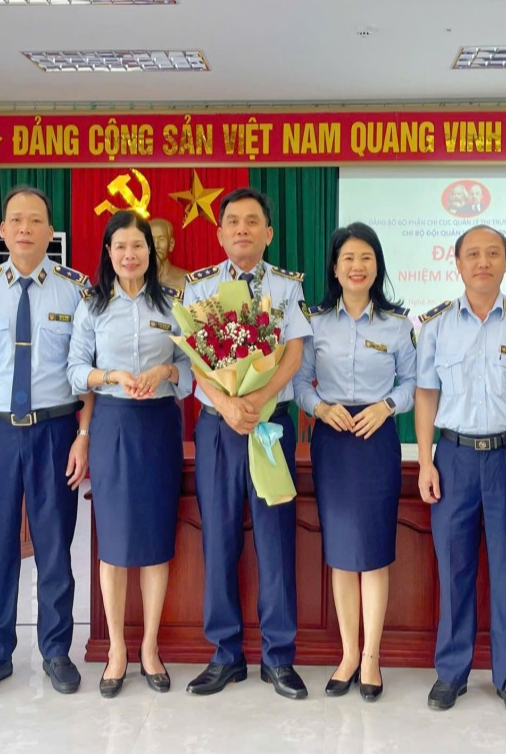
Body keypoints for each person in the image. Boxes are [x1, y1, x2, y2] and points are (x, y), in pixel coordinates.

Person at [0, 185, 93, 698]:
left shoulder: (76, 291)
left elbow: (87, 370)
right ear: (3, 230)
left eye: (36, 220)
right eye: (16, 220)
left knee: (54, 548)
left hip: (55, 431)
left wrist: (83, 435)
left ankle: (56, 651)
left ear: (51, 231)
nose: (26, 228)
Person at [414, 225, 506, 718]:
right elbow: (426, 394)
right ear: (457, 263)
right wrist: (425, 459)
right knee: (454, 569)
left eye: (493, 253)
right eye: (472, 254)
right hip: (453, 458)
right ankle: (451, 672)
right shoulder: (436, 324)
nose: (483, 262)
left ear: (505, 262)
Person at [182, 187, 312, 700]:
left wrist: (256, 400)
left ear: (268, 232)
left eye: (252, 221)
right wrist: (228, 403)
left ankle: (279, 657)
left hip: (269, 426)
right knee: (218, 540)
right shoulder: (199, 288)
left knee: (275, 543)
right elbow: (195, 360)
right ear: (220, 233)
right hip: (218, 427)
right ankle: (225, 654)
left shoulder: (286, 287)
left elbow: (294, 354)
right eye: (233, 221)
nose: (242, 229)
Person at [66, 210, 192, 698]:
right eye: (120, 246)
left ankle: (150, 648)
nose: (130, 254)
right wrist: (110, 376)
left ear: (151, 251)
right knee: (114, 545)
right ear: (108, 253)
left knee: (157, 541)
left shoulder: (173, 304)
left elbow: (191, 368)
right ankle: (117, 650)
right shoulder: (93, 306)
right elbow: (75, 370)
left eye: (137, 246)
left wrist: (167, 372)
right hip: (113, 424)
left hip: (159, 425)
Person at [293, 222, 416, 702]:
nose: (357, 266)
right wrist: (320, 409)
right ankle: (347, 654)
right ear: (335, 267)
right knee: (342, 554)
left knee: (374, 552)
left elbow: (414, 381)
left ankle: (371, 658)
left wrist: (387, 407)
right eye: (348, 258)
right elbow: (298, 381)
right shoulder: (316, 322)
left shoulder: (397, 324)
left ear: (377, 266)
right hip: (333, 440)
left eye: (366, 257)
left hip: (375, 439)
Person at [150, 217, 189, 293]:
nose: (156, 245)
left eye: (161, 239)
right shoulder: (135, 279)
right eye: (151, 239)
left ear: (171, 244)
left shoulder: (186, 280)